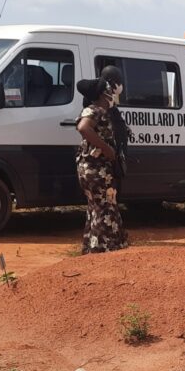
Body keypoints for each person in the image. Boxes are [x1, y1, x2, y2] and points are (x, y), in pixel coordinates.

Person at [74, 76, 129, 254]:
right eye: (108, 90)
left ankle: (93, 249)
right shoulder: (95, 110)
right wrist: (106, 148)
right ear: (102, 94)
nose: (112, 93)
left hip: (93, 167)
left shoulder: (97, 110)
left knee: (98, 208)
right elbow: (83, 128)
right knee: (104, 207)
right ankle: (103, 251)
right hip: (96, 168)